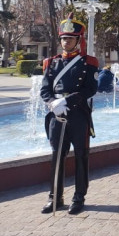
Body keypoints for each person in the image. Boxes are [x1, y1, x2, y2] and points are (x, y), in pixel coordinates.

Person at [39, 14, 98, 215]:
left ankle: (79, 197)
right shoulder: (51, 63)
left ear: (78, 40)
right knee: (56, 156)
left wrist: (67, 101)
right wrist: (53, 103)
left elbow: (90, 89)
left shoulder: (88, 62)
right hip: (56, 114)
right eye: (64, 38)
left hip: (78, 115)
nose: (66, 42)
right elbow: (44, 90)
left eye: (70, 39)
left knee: (81, 156)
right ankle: (55, 197)